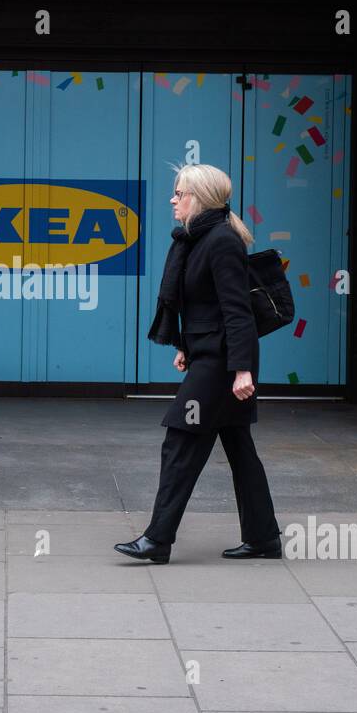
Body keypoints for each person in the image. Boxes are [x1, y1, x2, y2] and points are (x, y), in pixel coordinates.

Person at [115, 164, 282, 565]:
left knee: (180, 440)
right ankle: (263, 538)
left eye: (180, 193)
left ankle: (158, 539)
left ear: (201, 198)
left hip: (224, 365)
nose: (173, 200)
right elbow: (204, 306)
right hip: (209, 356)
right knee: (239, 448)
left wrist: (242, 370)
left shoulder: (222, 241)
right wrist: (186, 346)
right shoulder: (195, 240)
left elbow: (237, 311)